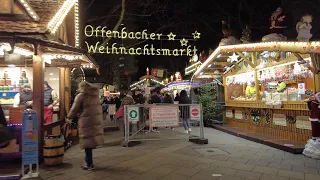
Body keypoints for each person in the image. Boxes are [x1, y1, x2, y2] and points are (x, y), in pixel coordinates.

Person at [67, 81, 104, 170]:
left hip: (86, 120)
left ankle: (89, 164)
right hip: (94, 120)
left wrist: (69, 117)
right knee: (90, 141)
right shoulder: (95, 95)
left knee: (87, 142)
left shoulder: (81, 95)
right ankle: (87, 161)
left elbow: (75, 108)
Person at [303, 92, 320, 159]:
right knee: (316, 132)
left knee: (315, 132)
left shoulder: (313, 102)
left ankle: (315, 146)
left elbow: (310, 108)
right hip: (316, 119)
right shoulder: (315, 102)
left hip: (314, 118)